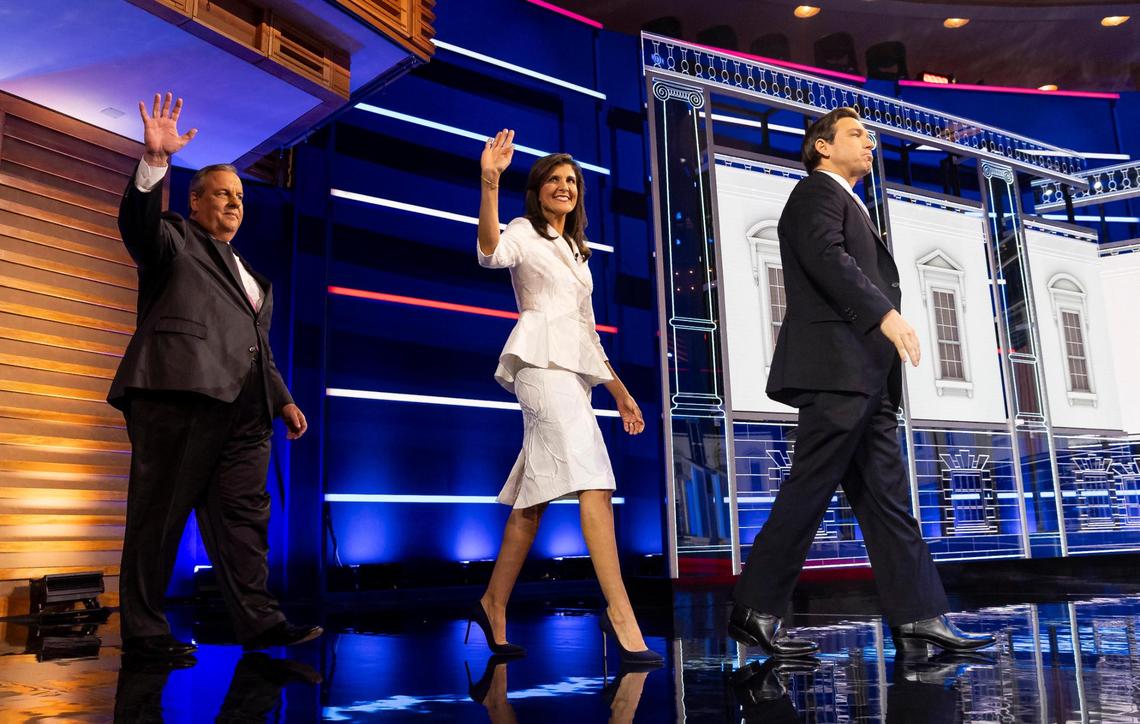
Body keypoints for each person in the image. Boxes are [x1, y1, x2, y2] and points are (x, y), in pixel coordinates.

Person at [728, 107, 995, 657]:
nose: (869, 142)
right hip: (836, 372)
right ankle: (754, 609)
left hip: (864, 376)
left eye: (870, 135)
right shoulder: (815, 194)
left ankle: (920, 615)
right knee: (809, 489)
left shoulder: (848, 201)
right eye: (856, 134)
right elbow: (828, 259)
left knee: (887, 501)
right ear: (822, 147)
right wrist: (885, 315)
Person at [109, 92, 321, 658]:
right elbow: (139, 227)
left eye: (241, 196)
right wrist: (155, 163)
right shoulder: (175, 239)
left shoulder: (252, 275)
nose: (233, 202)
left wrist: (282, 399)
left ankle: (262, 624)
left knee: (244, 523)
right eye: (221, 193)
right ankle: (146, 633)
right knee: (159, 516)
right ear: (196, 202)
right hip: (178, 395)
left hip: (246, 412)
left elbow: (259, 347)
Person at [470, 130, 662, 665]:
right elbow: (489, 252)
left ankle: (492, 602)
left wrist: (620, 393)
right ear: (537, 190)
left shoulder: (580, 254)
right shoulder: (522, 231)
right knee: (593, 481)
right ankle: (620, 612)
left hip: (573, 375)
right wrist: (490, 182)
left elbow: (588, 334)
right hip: (537, 367)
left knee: (532, 502)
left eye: (572, 181)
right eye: (554, 179)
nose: (565, 186)